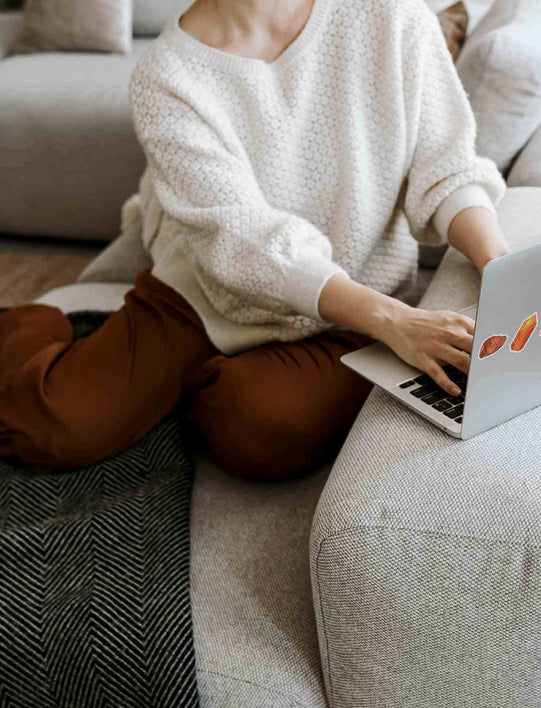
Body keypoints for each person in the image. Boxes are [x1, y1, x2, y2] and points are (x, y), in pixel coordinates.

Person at [0, 0, 512, 479]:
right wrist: (393, 321)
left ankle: (193, 386)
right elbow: (242, 242)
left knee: (257, 428)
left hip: (354, 300)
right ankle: (29, 321)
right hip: (204, 292)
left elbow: (447, 170)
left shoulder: (390, 14)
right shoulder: (167, 74)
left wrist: (498, 262)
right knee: (51, 429)